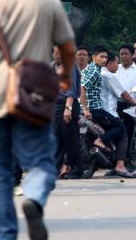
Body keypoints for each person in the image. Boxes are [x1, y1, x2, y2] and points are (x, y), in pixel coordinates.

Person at [0, 0, 76, 238]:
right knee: (42, 161)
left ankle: (6, 234)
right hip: (32, 95)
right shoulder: (46, 0)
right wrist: (65, 77)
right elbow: (67, 48)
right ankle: (33, 196)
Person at [82, 48, 135, 178]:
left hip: (92, 110)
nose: (104, 60)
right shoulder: (99, 72)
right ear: (94, 57)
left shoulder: (88, 70)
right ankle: (120, 165)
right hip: (97, 109)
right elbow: (82, 87)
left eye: (105, 57)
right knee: (121, 130)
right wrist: (86, 109)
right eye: (101, 57)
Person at [53, 47, 83, 179]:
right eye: (57, 53)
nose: (59, 56)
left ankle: (77, 169)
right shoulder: (51, 66)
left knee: (70, 139)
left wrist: (68, 108)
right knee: (56, 139)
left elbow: (71, 90)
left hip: (67, 104)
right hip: (55, 106)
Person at [115, 44, 136, 160]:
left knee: (135, 134)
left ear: (132, 55)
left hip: (132, 107)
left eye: (126, 54)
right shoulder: (115, 69)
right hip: (115, 106)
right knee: (117, 133)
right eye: (121, 54)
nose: (123, 56)